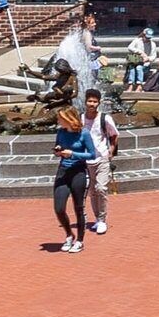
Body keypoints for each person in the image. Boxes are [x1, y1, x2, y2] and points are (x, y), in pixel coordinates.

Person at [51, 103, 98, 253]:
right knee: (59, 208)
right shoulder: (61, 132)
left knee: (78, 207)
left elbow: (92, 154)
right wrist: (58, 151)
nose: (59, 121)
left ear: (69, 118)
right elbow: (58, 147)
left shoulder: (83, 133)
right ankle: (69, 234)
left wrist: (73, 154)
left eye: (60, 118)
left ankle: (80, 240)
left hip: (78, 171)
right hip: (63, 171)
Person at [82, 92, 121, 234]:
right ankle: (97, 219)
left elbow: (114, 135)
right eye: (89, 101)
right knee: (92, 191)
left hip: (102, 158)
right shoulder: (81, 118)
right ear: (85, 101)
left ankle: (102, 220)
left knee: (101, 188)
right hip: (87, 160)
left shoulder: (105, 118)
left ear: (99, 103)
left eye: (95, 102)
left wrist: (110, 152)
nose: (92, 104)